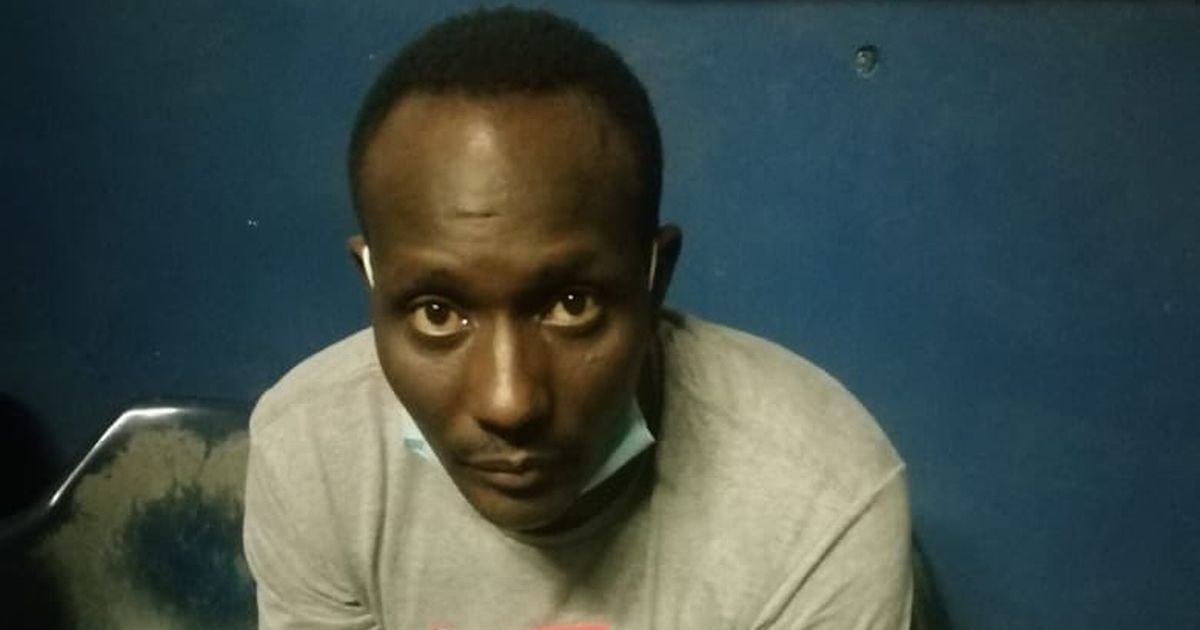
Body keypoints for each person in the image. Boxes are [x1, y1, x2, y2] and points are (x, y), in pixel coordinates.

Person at [243, 7, 912, 629]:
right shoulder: (312, 455)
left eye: (572, 305)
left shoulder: (820, 503)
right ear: (371, 279)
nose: (509, 402)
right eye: (438, 314)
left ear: (655, 279)